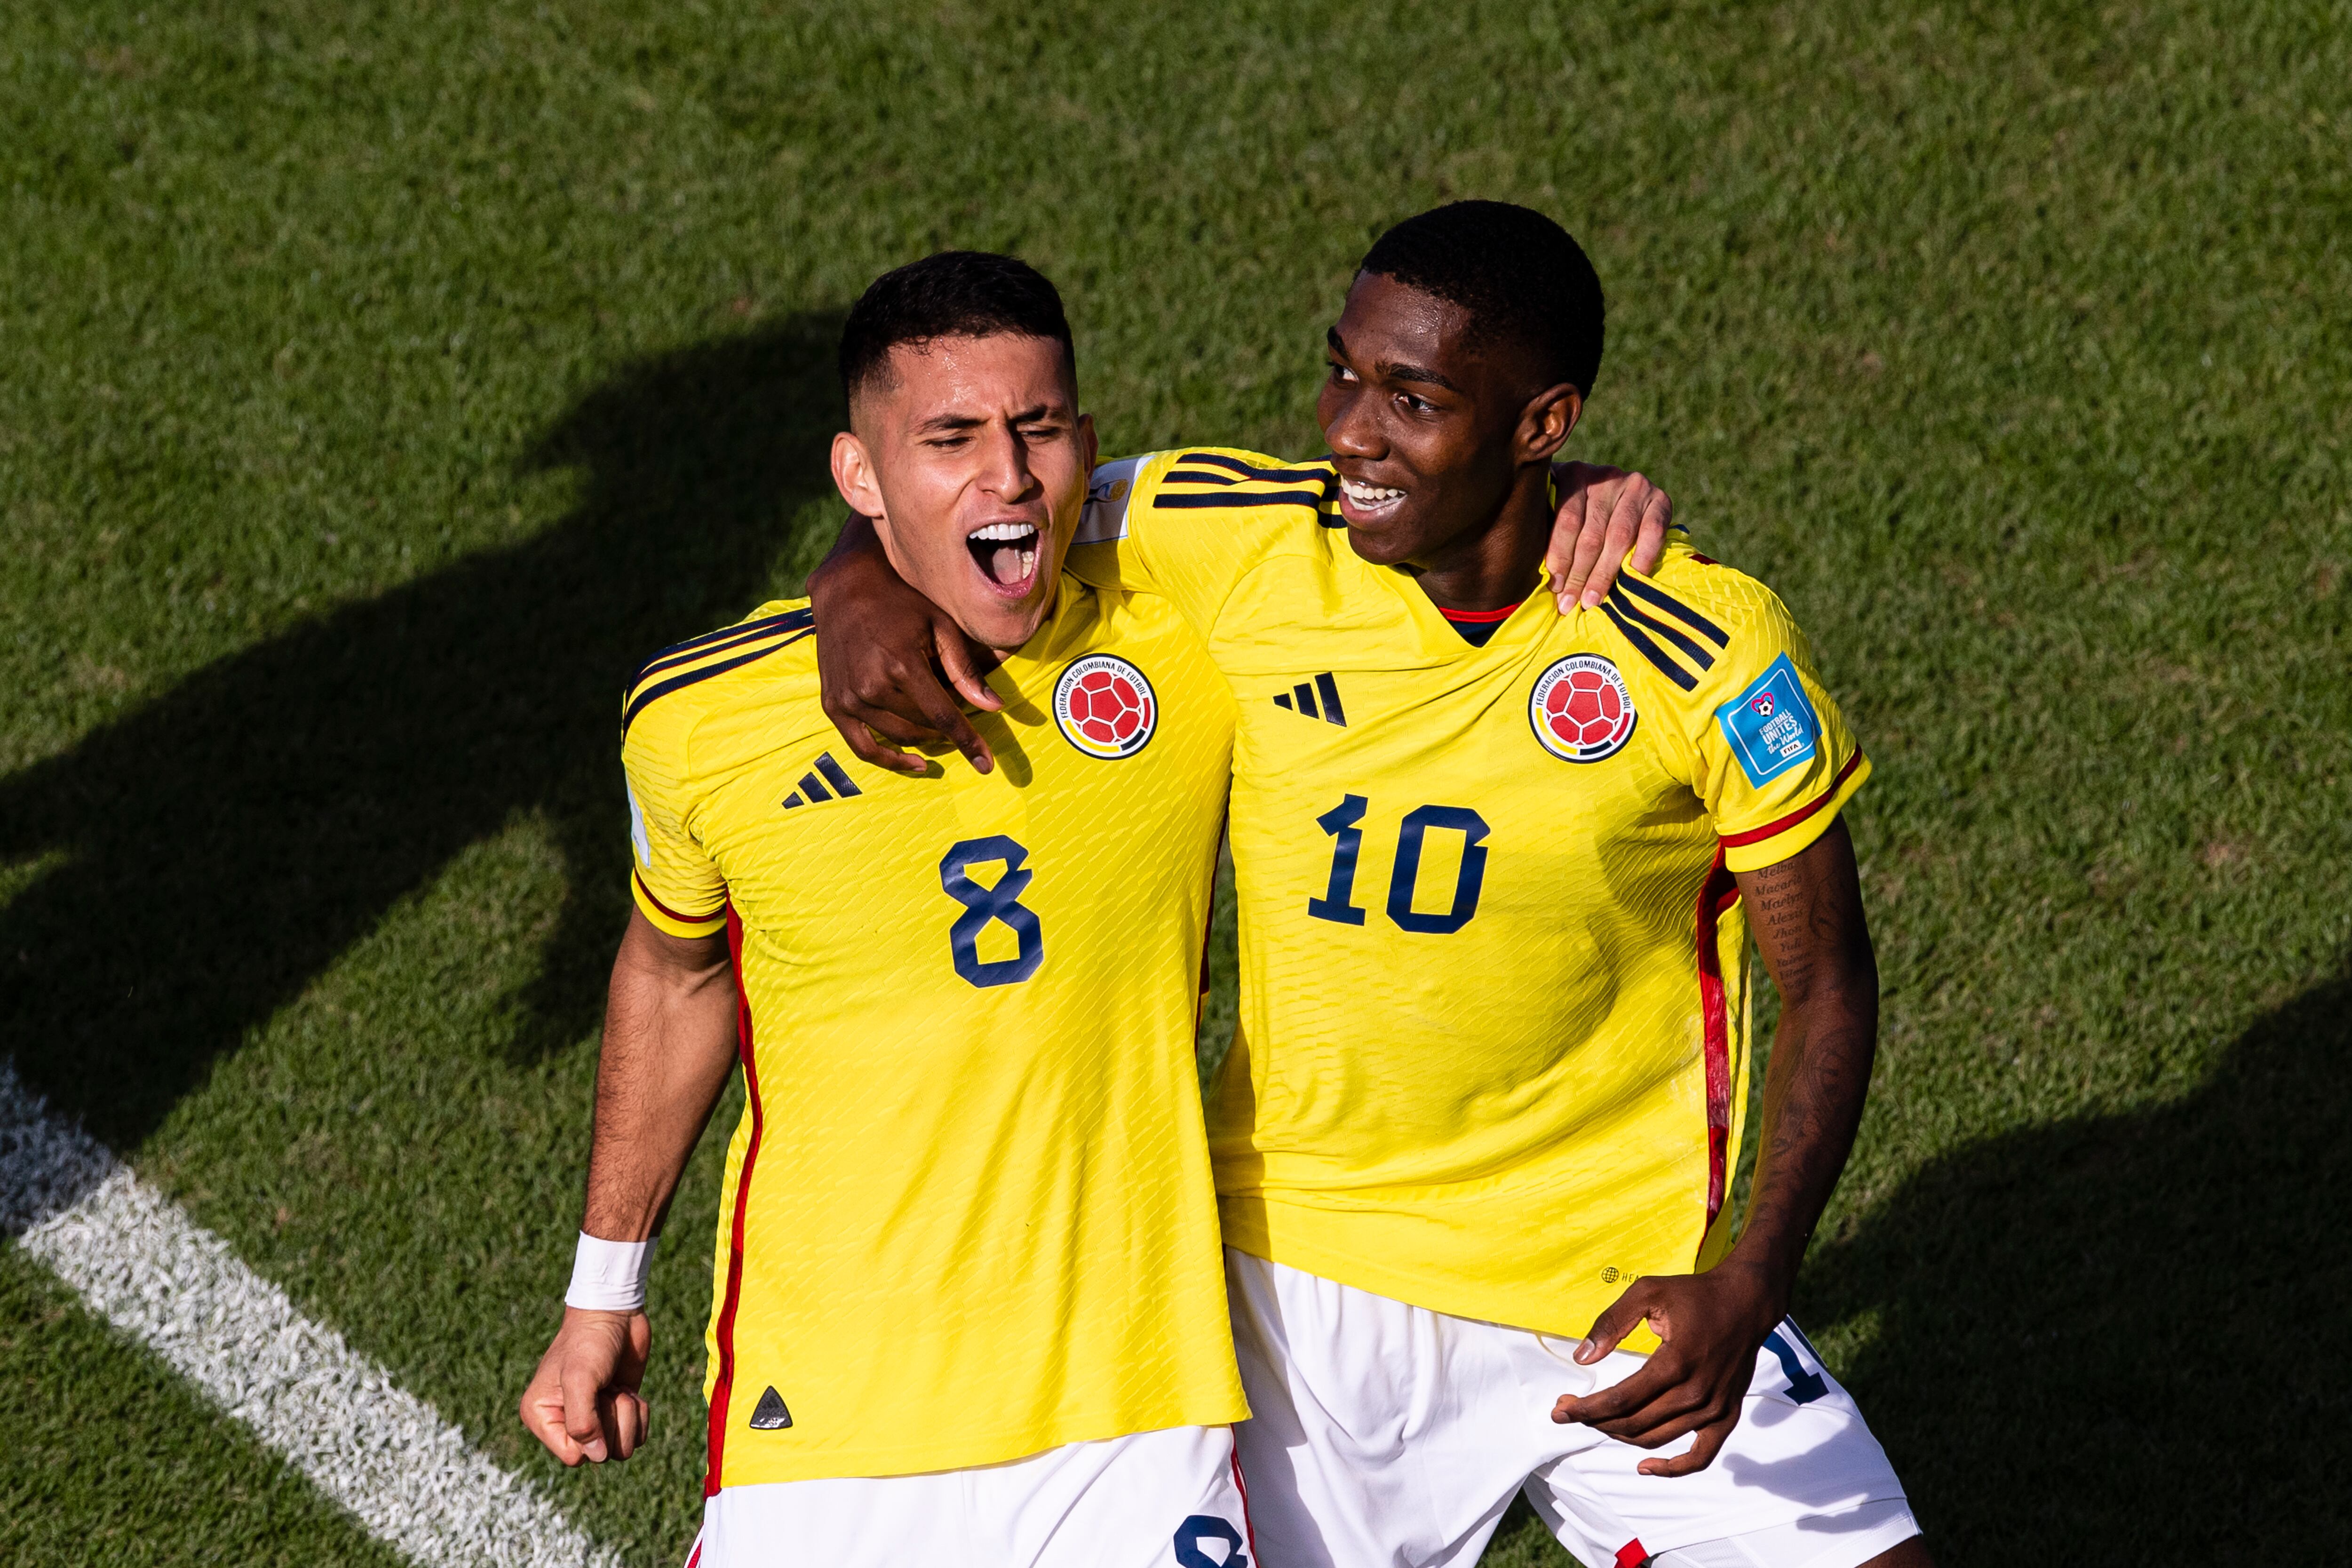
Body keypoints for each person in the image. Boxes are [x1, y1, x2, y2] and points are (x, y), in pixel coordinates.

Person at [812, 202, 1931, 1568]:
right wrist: (851, 577)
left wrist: (1751, 1285)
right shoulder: (1239, 541)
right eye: (1343, 372)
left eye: (1414, 398)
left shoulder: (1701, 644)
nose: (1350, 430)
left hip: (1611, 1281)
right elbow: (988, 505)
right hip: (1300, 1283)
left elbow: (1827, 984)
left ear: (1542, 425)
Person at [516, 248, 1659, 1566]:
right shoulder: (696, 719)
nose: (1007, 477)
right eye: (950, 437)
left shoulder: (1187, 630)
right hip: (825, 1416)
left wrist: (1573, 486)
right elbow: (676, 976)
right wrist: (603, 1289)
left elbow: (1413, 493)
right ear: (858, 477)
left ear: (1087, 443)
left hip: (1132, 1415)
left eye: (1038, 428)